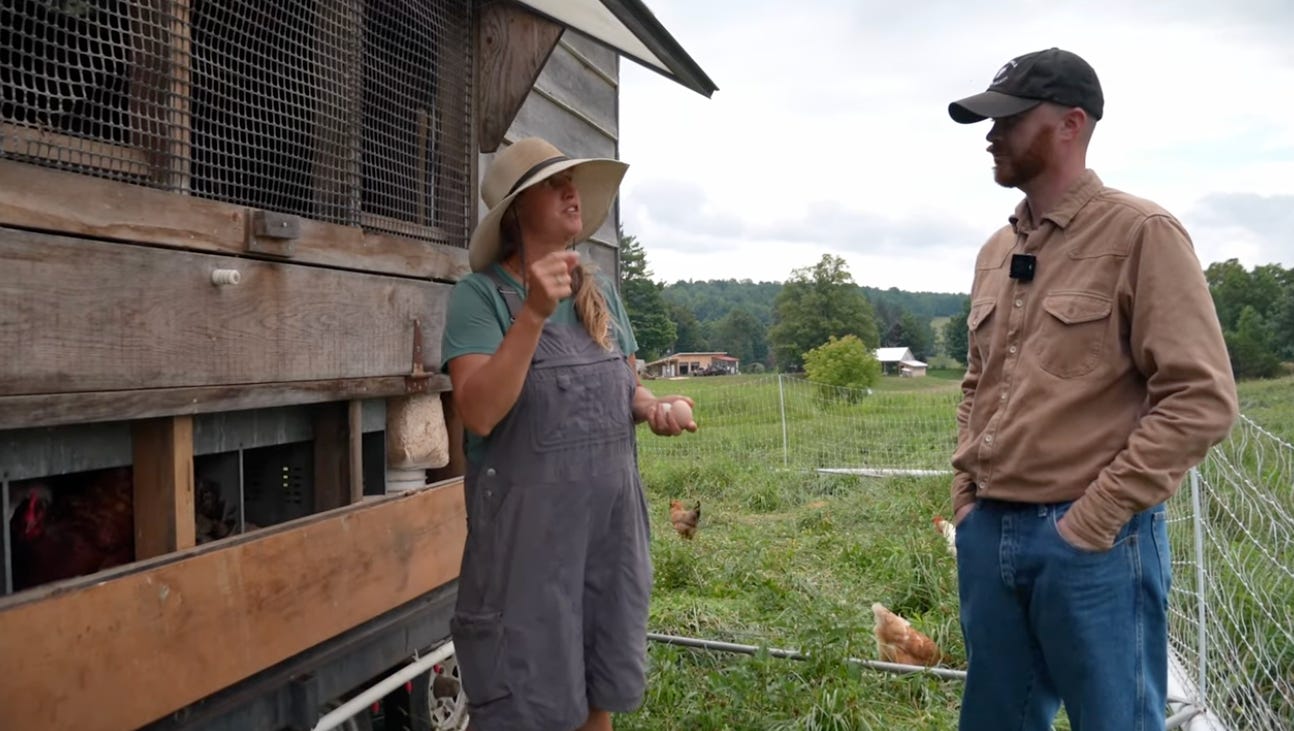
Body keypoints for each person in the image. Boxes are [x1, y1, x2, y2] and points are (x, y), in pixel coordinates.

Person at [945, 48, 1238, 731]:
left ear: (1071, 124)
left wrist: (1095, 518)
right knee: (994, 719)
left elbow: (1201, 397)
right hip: (991, 533)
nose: (992, 135)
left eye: (1010, 119)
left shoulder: (1142, 235)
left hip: (1092, 544)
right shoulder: (996, 250)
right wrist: (965, 496)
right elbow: (975, 380)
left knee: (1116, 720)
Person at [441, 137, 696, 731]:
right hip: (526, 557)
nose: (571, 192)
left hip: (607, 542)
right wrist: (532, 314)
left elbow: (622, 386)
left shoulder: (598, 291)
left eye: (573, 182)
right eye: (553, 184)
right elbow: (478, 412)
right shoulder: (481, 298)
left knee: (596, 699)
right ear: (517, 209)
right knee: (525, 710)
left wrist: (655, 406)